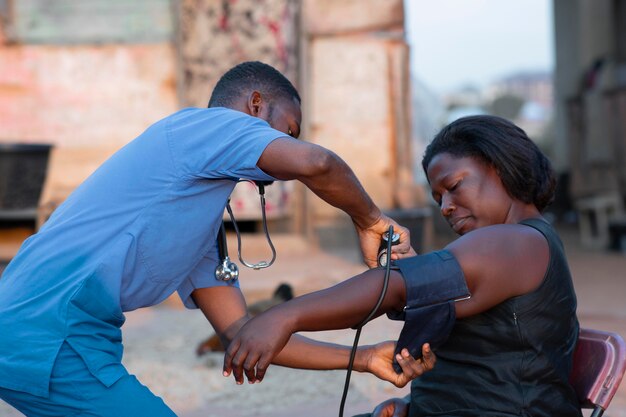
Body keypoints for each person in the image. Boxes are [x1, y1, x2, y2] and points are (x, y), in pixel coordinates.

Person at [0, 61, 434, 417]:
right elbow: (317, 163)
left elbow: (243, 334)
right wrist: (371, 221)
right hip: (50, 328)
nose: (287, 145)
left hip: (61, 332)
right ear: (255, 105)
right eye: (288, 129)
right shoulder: (202, 126)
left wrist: (363, 357)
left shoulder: (195, 212)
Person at [223, 115, 582, 417]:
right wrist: (413, 403)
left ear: (500, 167)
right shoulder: (509, 246)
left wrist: (284, 316)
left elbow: (396, 287)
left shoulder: (518, 242)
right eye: (438, 198)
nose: (445, 207)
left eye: (454, 186)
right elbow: (482, 362)